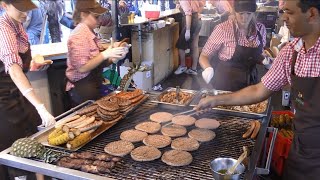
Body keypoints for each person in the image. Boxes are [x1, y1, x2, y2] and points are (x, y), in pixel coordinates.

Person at [196, 0, 320, 179]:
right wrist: (217, 99)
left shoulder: (261, 30)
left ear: (311, 14)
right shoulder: (290, 53)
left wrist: (266, 61)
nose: (283, 18)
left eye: (290, 12)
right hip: (301, 149)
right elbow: (258, 90)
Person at [0, 0, 56, 179]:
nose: (26, 13)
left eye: (27, 8)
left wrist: (31, 64)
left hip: (18, 95)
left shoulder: (18, 26)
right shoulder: (3, 29)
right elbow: (14, 72)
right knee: (17, 151)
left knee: (34, 141)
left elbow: (19, 63)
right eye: (20, 8)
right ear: (4, 5)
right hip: (4, 102)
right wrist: (40, 106)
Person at [66, 0, 129, 107]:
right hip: (82, 88)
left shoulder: (90, 32)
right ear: (83, 15)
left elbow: (96, 62)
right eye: (96, 17)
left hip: (93, 83)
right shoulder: (78, 36)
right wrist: (105, 54)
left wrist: (113, 58)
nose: (99, 20)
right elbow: (82, 67)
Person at [200, 0, 267, 91]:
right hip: (226, 83)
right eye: (241, 14)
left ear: (254, 13)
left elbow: (259, 55)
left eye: (249, 13)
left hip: (251, 83)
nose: (245, 18)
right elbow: (204, 55)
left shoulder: (260, 29)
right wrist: (208, 69)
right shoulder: (223, 29)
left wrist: (266, 61)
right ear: (235, 12)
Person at [174, 0, 205, 76]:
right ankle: (193, 69)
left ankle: (183, 66)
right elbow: (201, 4)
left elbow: (188, 14)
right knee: (194, 45)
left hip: (191, 21)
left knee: (180, 45)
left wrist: (187, 30)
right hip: (198, 19)